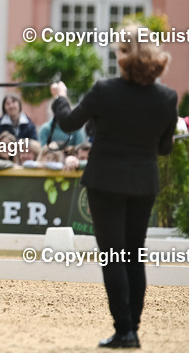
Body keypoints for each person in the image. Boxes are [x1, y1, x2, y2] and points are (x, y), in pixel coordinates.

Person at [50, 24, 178, 349]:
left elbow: (68, 123)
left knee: (114, 255)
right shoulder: (167, 97)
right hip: (143, 183)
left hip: (105, 182)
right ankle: (132, 328)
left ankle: (124, 330)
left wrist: (61, 98)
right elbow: (165, 148)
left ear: (124, 55)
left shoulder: (104, 90)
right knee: (134, 254)